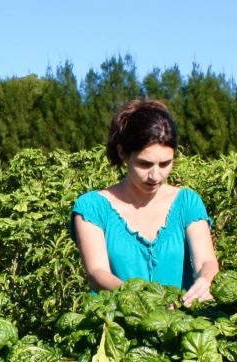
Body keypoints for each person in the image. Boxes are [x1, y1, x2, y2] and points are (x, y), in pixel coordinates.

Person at [70, 99, 218, 306]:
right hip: (117, 328)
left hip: (179, 328)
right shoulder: (92, 207)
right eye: (144, 164)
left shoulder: (187, 202)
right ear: (123, 153)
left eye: (165, 163)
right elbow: (97, 273)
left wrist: (205, 281)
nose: (155, 175)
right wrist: (141, 300)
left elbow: (206, 261)